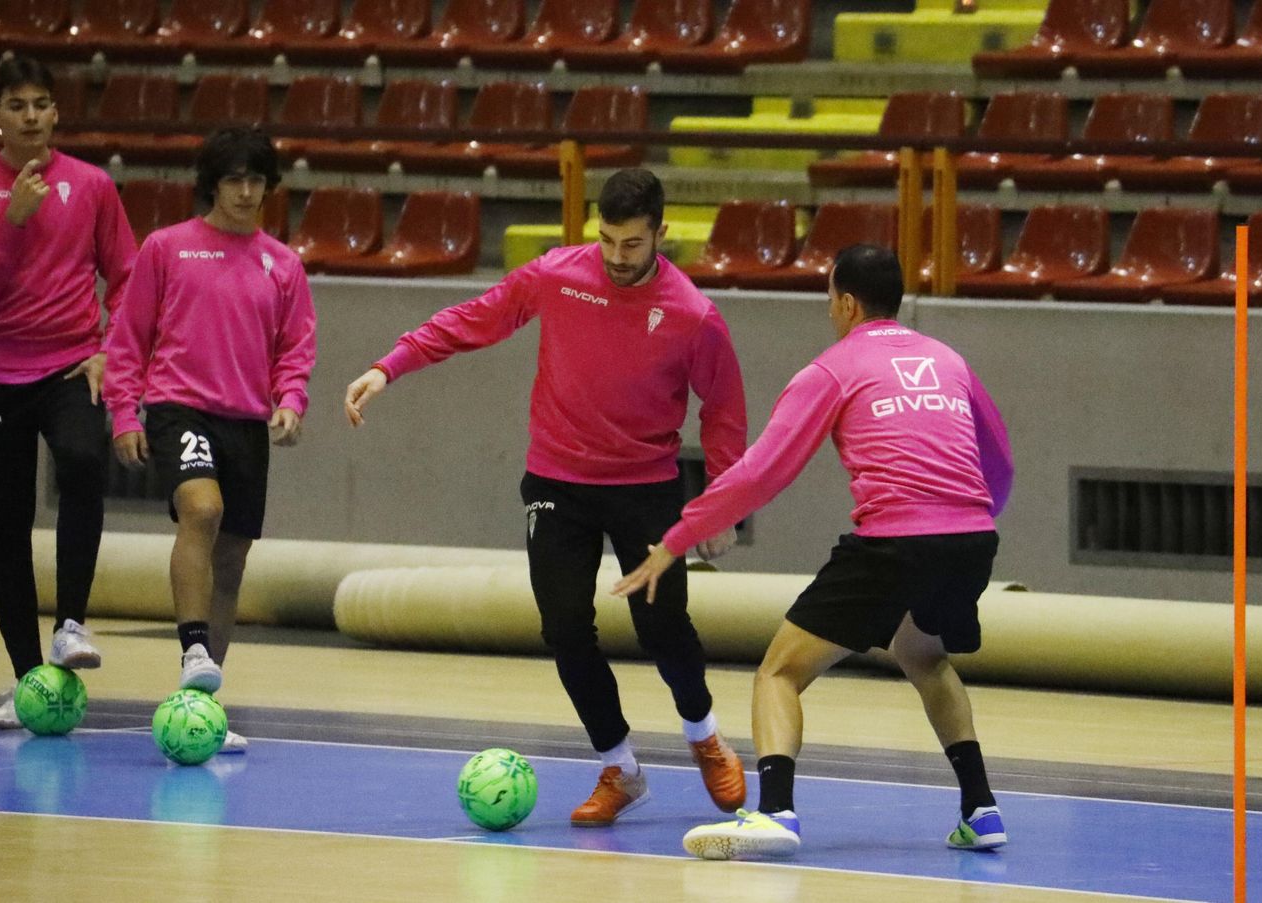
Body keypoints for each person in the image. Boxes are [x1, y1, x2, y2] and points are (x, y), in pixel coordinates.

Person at [344, 169, 750, 826]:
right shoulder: (558, 275)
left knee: (662, 625)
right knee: (564, 626)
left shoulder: (693, 315)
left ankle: (703, 734)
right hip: (558, 481)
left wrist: (722, 505)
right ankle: (621, 764)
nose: (618, 257)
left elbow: (725, 410)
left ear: (660, 234)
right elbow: (475, 319)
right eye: (608, 240)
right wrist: (390, 364)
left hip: (646, 488)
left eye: (632, 244)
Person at [615, 244, 1015, 859]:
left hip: (893, 543)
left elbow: (759, 475)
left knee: (779, 672)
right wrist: (964, 525)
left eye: (829, 297)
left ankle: (775, 813)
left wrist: (677, 539)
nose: (829, 310)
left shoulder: (833, 368)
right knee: (923, 656)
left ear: (848, 302)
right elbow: (1001, 460)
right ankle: (981, 810)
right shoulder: (948, 360)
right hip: (972, 538)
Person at [104, 126, 317, 754]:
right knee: (202, 508)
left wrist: (290, 402)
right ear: (212, 185)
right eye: (234, 180)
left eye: (257, 180)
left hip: (246, 422)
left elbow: (295, 347)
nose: (246, 192)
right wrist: (124, 412)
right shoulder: (167, 249)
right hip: (179, 407)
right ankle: (192, 645)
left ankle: (200, 707)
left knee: (232, 558)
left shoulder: (284, 264)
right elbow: (129, 336)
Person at [0, 56, 138, 729]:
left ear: (56, 113)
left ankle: (71, 624)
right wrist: (14, 223)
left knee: (85, 463)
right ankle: (28, 679)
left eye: (41, 104)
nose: (30, 116)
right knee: (6, 525)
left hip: (69, 368)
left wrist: (110, 350)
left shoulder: (90, 186)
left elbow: (131, 278)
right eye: (16, 106)